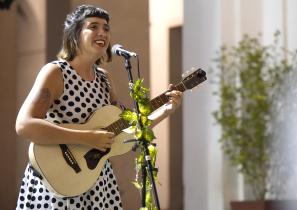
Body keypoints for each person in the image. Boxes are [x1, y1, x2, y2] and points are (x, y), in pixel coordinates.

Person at [15, 4, 182, 210]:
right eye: (93, 26)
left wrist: (166, 110)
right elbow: (25, 125)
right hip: (57, 182)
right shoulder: (56, 73)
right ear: (75, 34)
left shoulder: (104, 79)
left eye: (106, 28)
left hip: (98, 183)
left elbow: (125, 131)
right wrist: (86, 137)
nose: (102, 32)